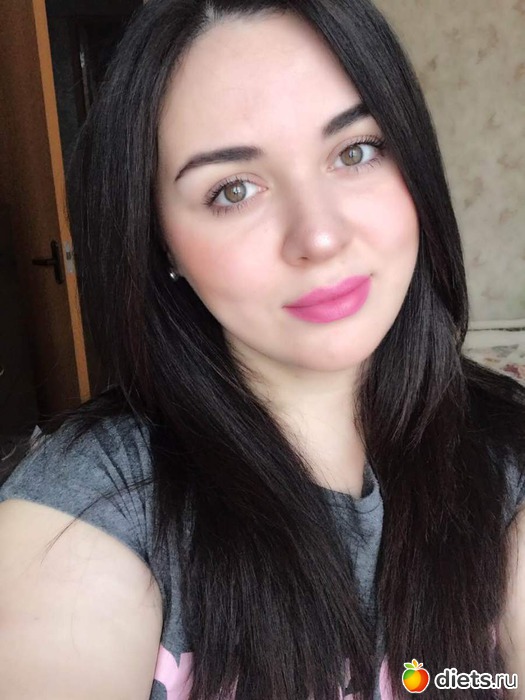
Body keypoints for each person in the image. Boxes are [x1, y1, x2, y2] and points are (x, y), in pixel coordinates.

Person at [0, 0, 524, 698]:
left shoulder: (506, 460)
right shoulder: (97, 510)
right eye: (233, 190)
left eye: (355, 151)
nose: (319, 237)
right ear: (161, 244)